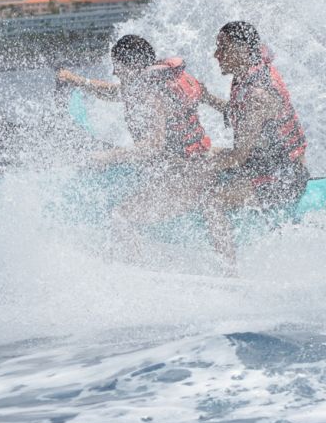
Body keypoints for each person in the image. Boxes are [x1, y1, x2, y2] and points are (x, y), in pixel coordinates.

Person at [197, 21, 310, 269]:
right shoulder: (249, 72)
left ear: (242, 50)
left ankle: (229, 271)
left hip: (283, 176)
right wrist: (206, 98)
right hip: (262, 163)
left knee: (211, 200)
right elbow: (239, 114)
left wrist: (202, 169)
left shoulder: (258, 93)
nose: (216, 54)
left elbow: (238, 157)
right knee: (201, 152)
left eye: (222, 47)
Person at [56, 33, 211, 173]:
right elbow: (111, 92)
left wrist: (107, 157)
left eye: (117, 67)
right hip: (190, 158)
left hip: (182, 168)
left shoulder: (151, 94)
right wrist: (76, 80)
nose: (114, 73)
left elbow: (154, 145)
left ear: (132, 65)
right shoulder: (149, 83)